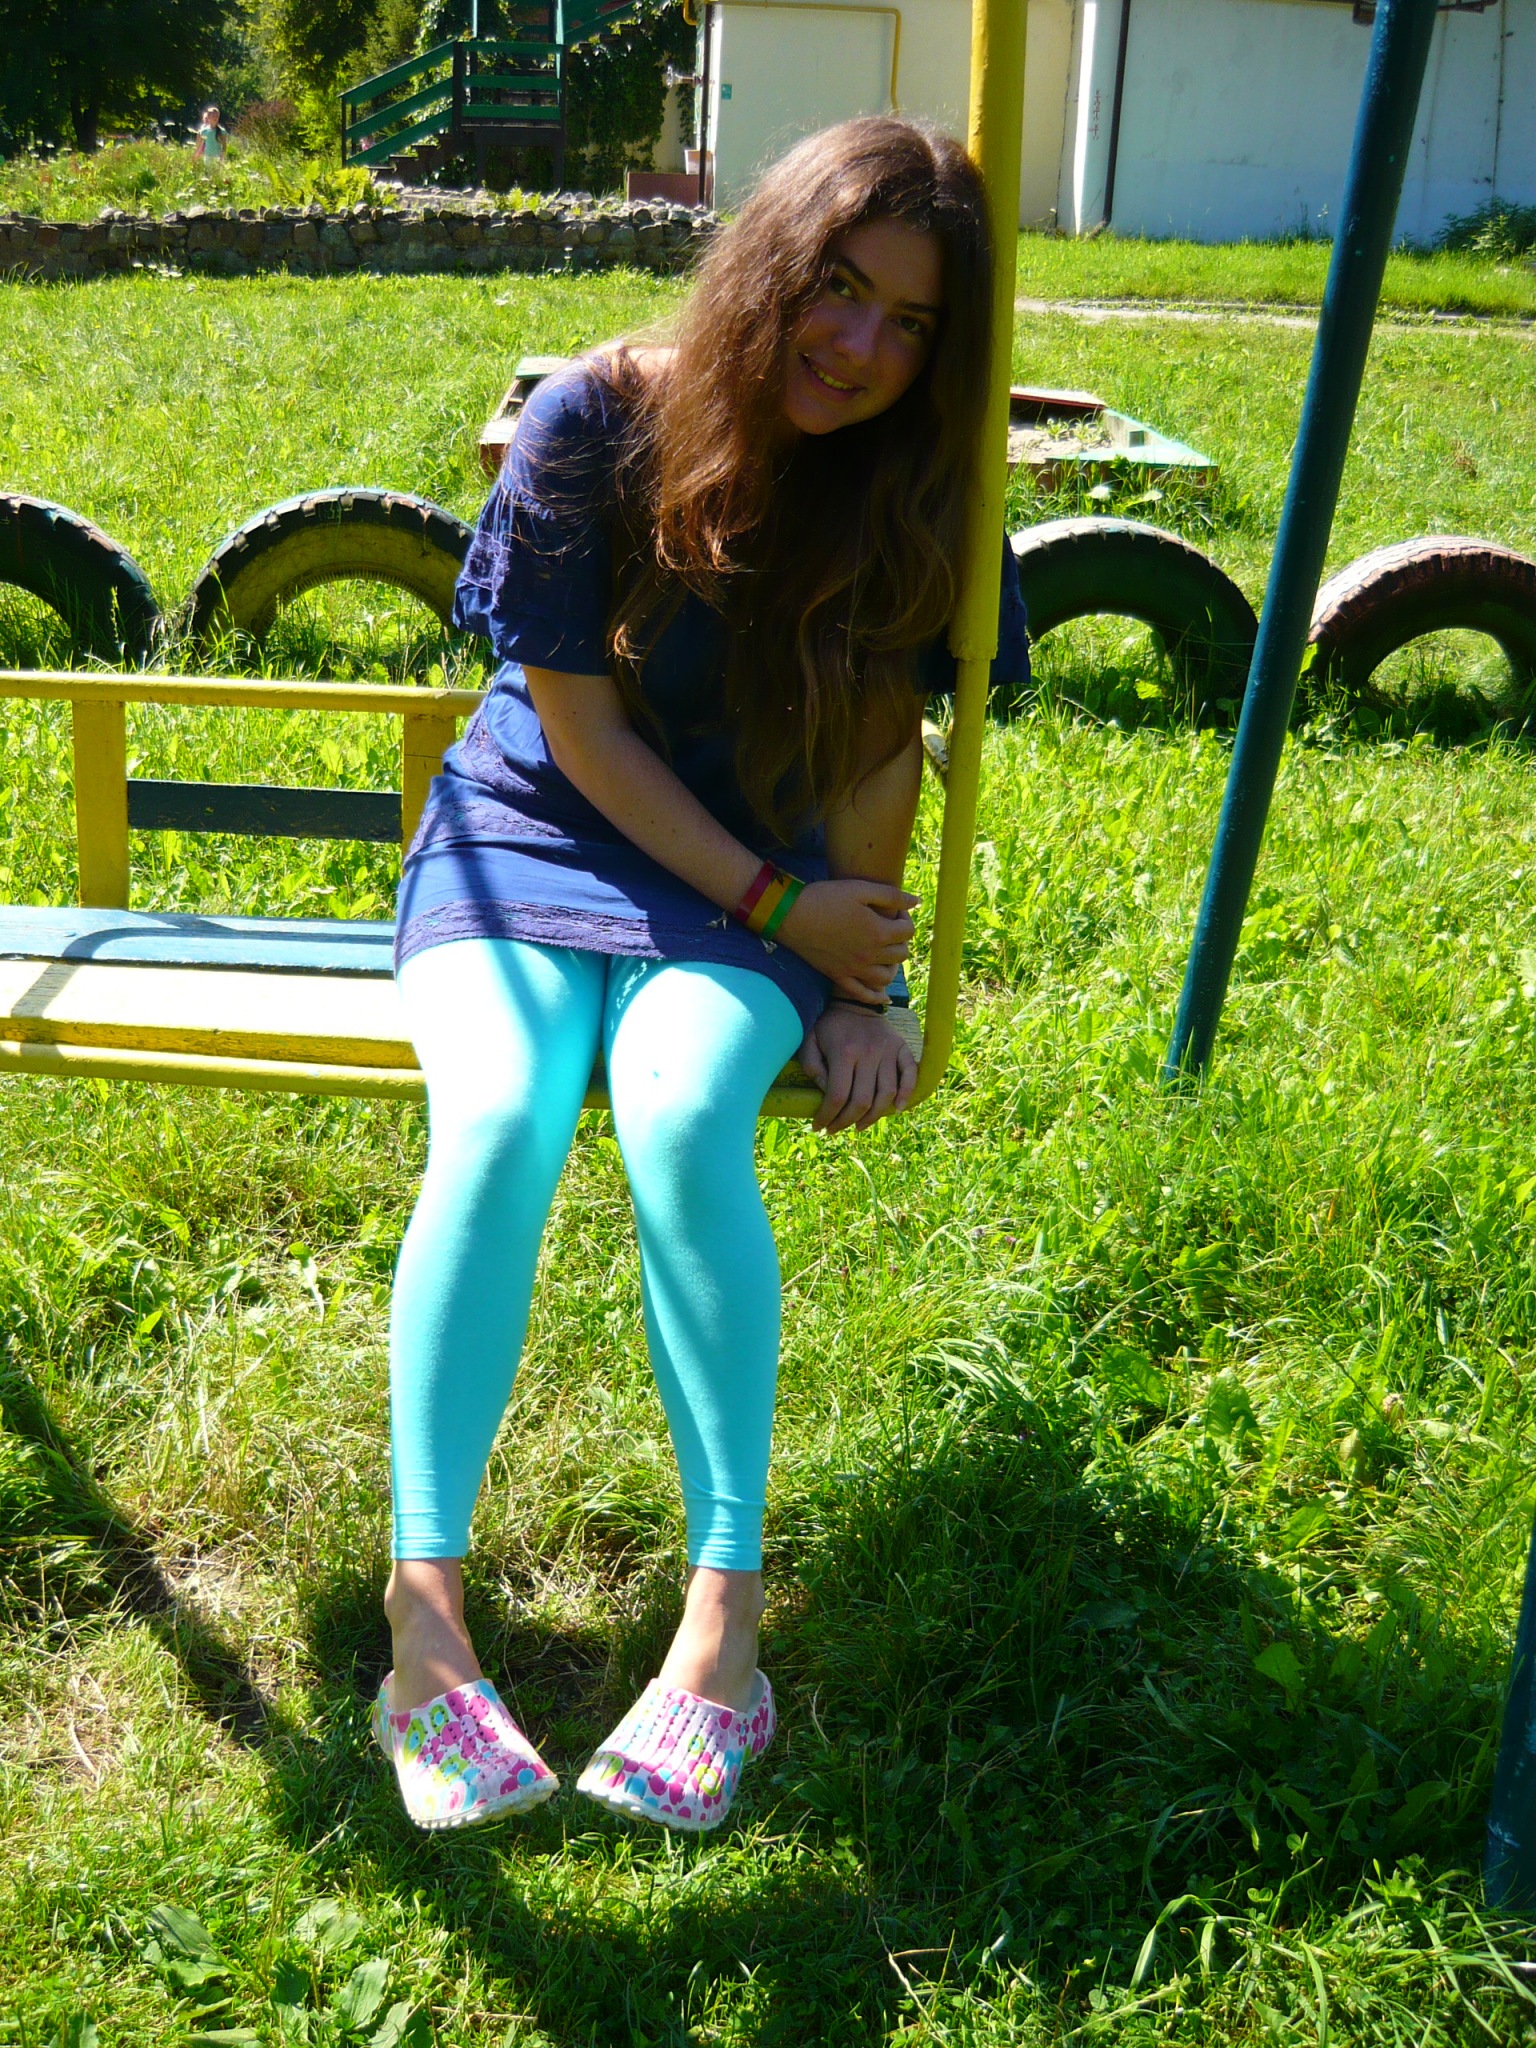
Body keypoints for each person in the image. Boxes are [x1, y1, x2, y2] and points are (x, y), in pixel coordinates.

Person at [372, 114, 1030, 1835]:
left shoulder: (921, 490)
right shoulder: (597, 420)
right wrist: (779, 901)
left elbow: (879, 747)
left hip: (751, 897)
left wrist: (862, 974)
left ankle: (724, 1636)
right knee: (500, 1116)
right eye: (839, 286)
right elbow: (579, 732)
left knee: (679, 1121)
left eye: (913, 324)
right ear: (767, 265)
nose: (861, 346)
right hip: (533, 837)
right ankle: (423, 1627)